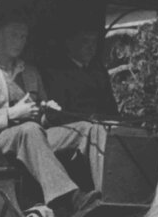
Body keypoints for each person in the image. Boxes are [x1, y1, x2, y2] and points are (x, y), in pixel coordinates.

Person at [0, 14, 100, 217]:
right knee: (29, 130)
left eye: (23, 37)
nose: (20, 42)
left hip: (32, 139)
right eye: (14, 35)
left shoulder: (30, 72)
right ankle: (70, 197)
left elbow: (40, 115)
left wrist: (48, 114)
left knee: (88, 129)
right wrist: (11, 114)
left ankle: (105, 194)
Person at [40, 26, 118, 187]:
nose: (91, 47)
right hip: (71, 129)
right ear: (70, 44)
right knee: (94, 130)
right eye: (85, 42)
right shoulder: (56, 71)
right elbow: (58, 114)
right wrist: (93, 121)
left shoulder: (98, 71)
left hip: (102, 126)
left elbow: (111, 108)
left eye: (94, 43)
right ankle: (104, 188)